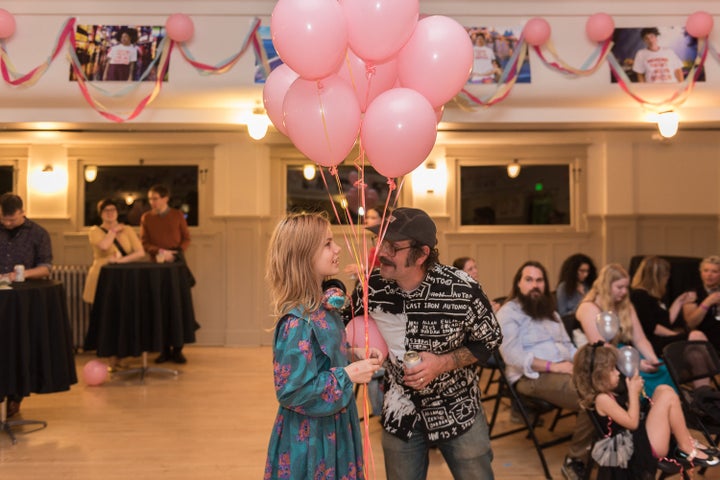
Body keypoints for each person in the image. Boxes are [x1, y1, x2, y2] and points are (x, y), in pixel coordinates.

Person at [347, 207, 502, 480]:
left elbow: (489, 340)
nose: (381, 251)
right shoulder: (370, 287)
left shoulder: (462, 289)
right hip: (400, 410)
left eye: (393, 246)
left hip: (458, 408)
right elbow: (337, 329)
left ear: (422, 253)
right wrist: (353, 352)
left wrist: (441, 363)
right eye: (379, 242)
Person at [263, 212, 382, 480]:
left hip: (335, 423)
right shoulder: (296, 322)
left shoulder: (323, 307)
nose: (337, 248)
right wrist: (349, 374)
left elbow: (320, 357)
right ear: (304, 256)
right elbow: (293, 392)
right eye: (328, 244)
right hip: (312, 437)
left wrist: (351, 355)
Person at [497, 260, 594, 480]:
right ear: (519, 284)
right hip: (531, 376)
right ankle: (576, 460)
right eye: (528, 279)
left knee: (608, 384)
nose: (535, 285)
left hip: (563, 370)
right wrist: (555, 366)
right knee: (592, 396)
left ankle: (606, 449)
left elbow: (569, 347)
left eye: (539, 280)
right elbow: (513, 357)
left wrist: (586, 361)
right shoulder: (508, 313)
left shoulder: (550, 312)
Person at [573, 343, 719, 478]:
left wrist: (633, 397)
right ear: (598, 376)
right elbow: (632, 423)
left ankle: (686, 442)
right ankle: (686, 448)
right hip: (637, 452)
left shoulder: (610, 393)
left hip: (638, 439)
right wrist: (633, 394)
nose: (618, 373)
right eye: (612, 370)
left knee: (663, 389)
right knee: (668, 395)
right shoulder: (602, 399)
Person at [575, 264, 673, 397]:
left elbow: (640, 339)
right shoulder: (589, 308)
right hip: (604, 359)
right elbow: (601, 347)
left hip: (625, 353)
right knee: (641, 377)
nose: (625, 292)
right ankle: (651, 409)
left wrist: (653, 359)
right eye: (619, 287)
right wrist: (636, 364)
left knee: (663, 371)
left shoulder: (625, 306)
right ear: (606, 286)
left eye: (626, 287)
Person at [0, 192, 53, 418]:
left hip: (23, 301)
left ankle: (15, 396)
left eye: (12, 219)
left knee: (19, 347)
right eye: (4, 219)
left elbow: (46, 267)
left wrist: (20, 274)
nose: (7, 223)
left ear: (23, 212)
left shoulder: (39, 233)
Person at [83, 198, 146, 370]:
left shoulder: (127, 230)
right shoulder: (95, 230)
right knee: (106, 318)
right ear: (101, 213)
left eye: (113, 210)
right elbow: (104, 246)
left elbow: (140, 252)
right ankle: (109, 357)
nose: (110, 213)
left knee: (122, 316)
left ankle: (122, 356)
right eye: (106, 211)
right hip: (101, 276)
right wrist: (113, 231)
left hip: (122, 277)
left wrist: (122, 261)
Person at [140, 184, 192, 364]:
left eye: (155, 198)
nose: (152, 202)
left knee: (177, 305)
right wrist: (160, 251)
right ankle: (163, 349)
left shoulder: (177, 215)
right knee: (159, 306)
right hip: (156, 266)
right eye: (150, 199)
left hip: (176, 264)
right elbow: (144, 243)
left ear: (165, 198)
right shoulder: (146, 218)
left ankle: (178, 349)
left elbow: (186, 238)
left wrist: (176, 252)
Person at [630, 256, 707, 357]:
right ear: (658, 277)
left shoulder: (653, 297)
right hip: (651, 342)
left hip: (660, 338)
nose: (667, 279)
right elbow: (652, 327)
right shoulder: (639, 295)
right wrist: (676, 335)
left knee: (695, 341)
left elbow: (666, 321)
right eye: (666, 275)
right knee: (696, 335)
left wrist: (679, 301)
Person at [682, 255, 720, 351]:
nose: (709, 275)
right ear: (701, 272)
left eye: (714, 271)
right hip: (703, 341)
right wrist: (708, 302)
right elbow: (691, 323)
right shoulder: (692, 293)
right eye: (706, 270)